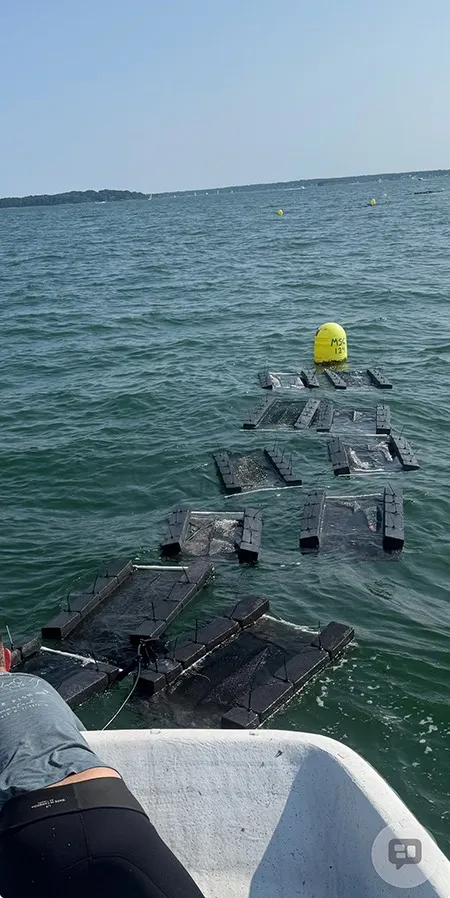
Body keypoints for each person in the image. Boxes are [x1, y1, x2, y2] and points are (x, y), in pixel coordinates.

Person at [0, 636, 205, 898]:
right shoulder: (37, 684)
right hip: (108, 803)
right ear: (7, 658)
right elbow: (85, 738)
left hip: (28, 822)